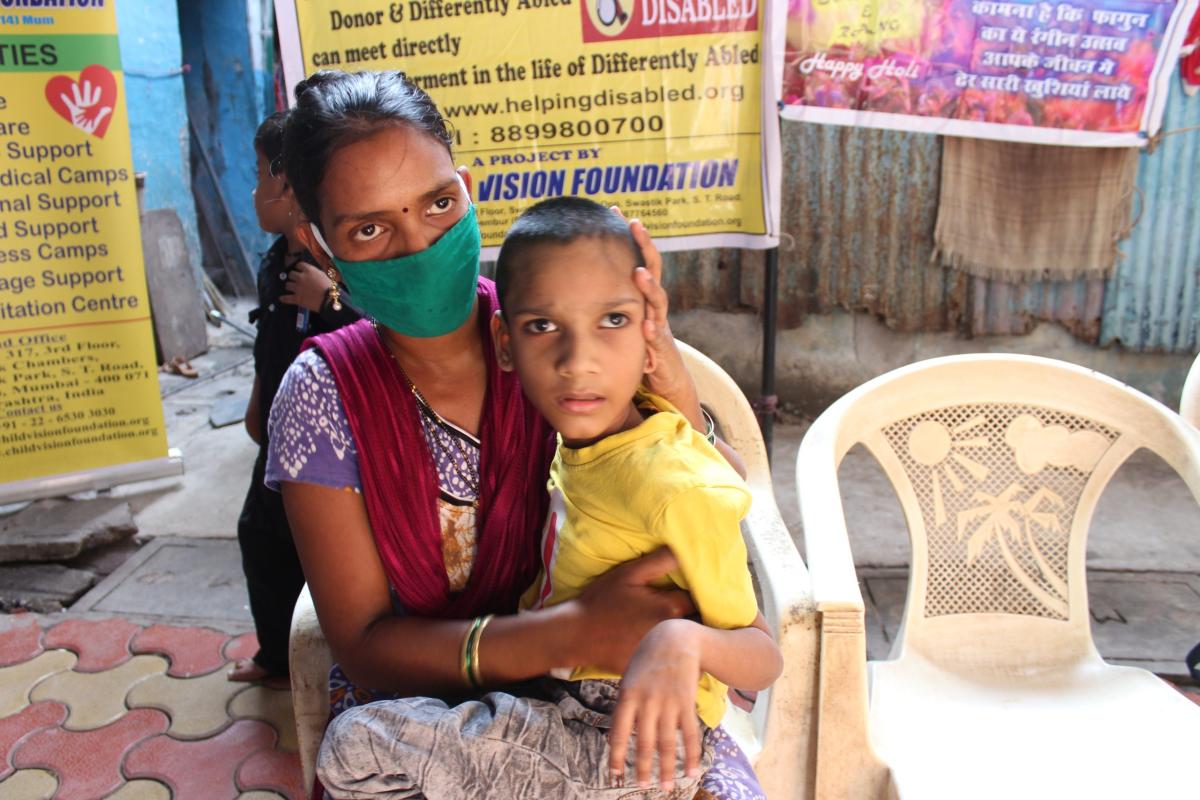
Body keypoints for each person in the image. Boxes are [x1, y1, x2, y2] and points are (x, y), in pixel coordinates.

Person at [265, 69, 767, 799]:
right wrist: (566, 632)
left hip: (616, 692)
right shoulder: (322, 397)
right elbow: (366, 648)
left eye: (439, 204)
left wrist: (658, 354)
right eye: (369, 229)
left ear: (467, 192)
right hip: (424, 711)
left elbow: (701, 483)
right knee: (356, 753)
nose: (419, 246)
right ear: (317, 243)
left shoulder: (558, 334)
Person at [232, 110, 361, 683]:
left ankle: (341, 659)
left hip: (329, 439)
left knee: (326, 553)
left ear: (286, 185)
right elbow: (269, 340)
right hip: (278, 431)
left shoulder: (338, 261)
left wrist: (330, 298)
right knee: (261, 536)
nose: (253, 191)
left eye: (258, 174)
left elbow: (379, 334)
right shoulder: (272, 263)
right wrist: (257, 400)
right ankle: (275, 656)